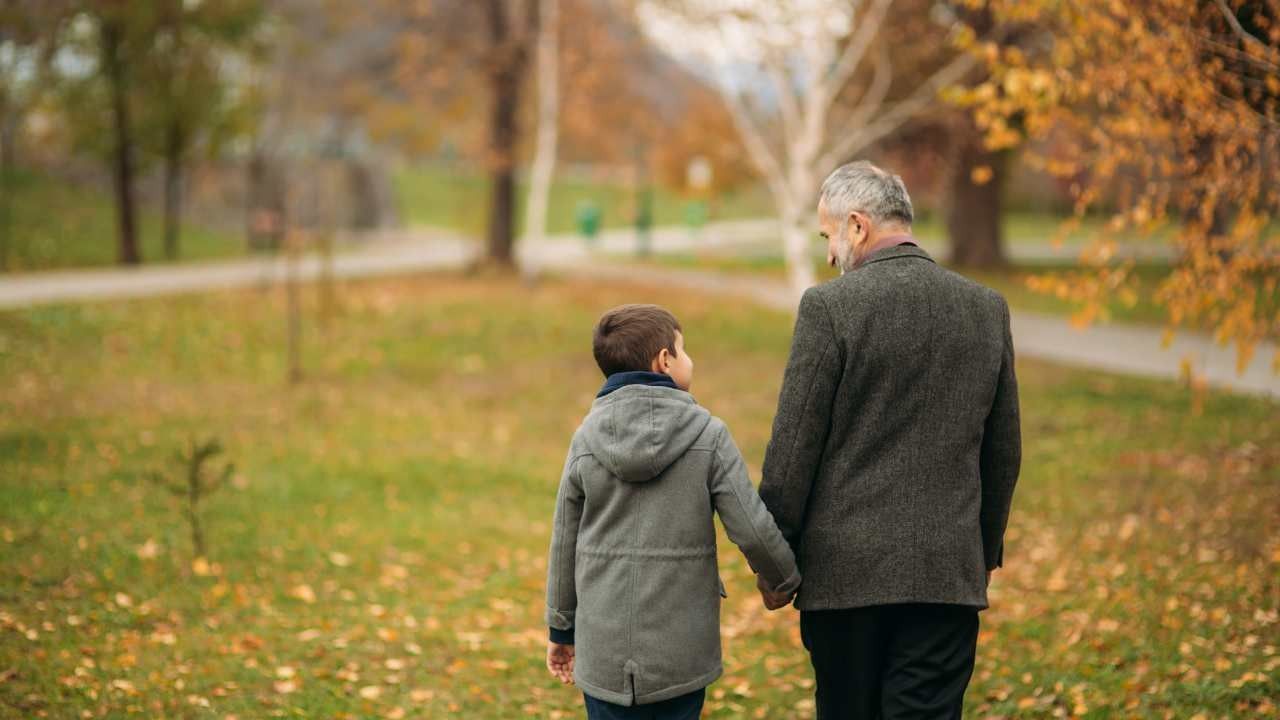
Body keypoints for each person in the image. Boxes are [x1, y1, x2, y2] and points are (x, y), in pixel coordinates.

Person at [759, 161, 1022, 719]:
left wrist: (774, 559)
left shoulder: (829, 308)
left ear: (857, 226)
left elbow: (792, 450)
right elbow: (1003, 451)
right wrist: (980, 551)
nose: (830, 254)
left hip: (843, 580)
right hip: (945, 575)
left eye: (829, 235)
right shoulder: (986, 308)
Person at [544, 303, 801, 719]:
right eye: (683, 349)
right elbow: (751, 527)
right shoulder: (707, 434)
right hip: (681, 649)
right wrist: (782, 579)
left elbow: (564, 541)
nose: (689, 358)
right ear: (664, 360)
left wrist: (560, 627)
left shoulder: (585, 440)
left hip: (603, 648)